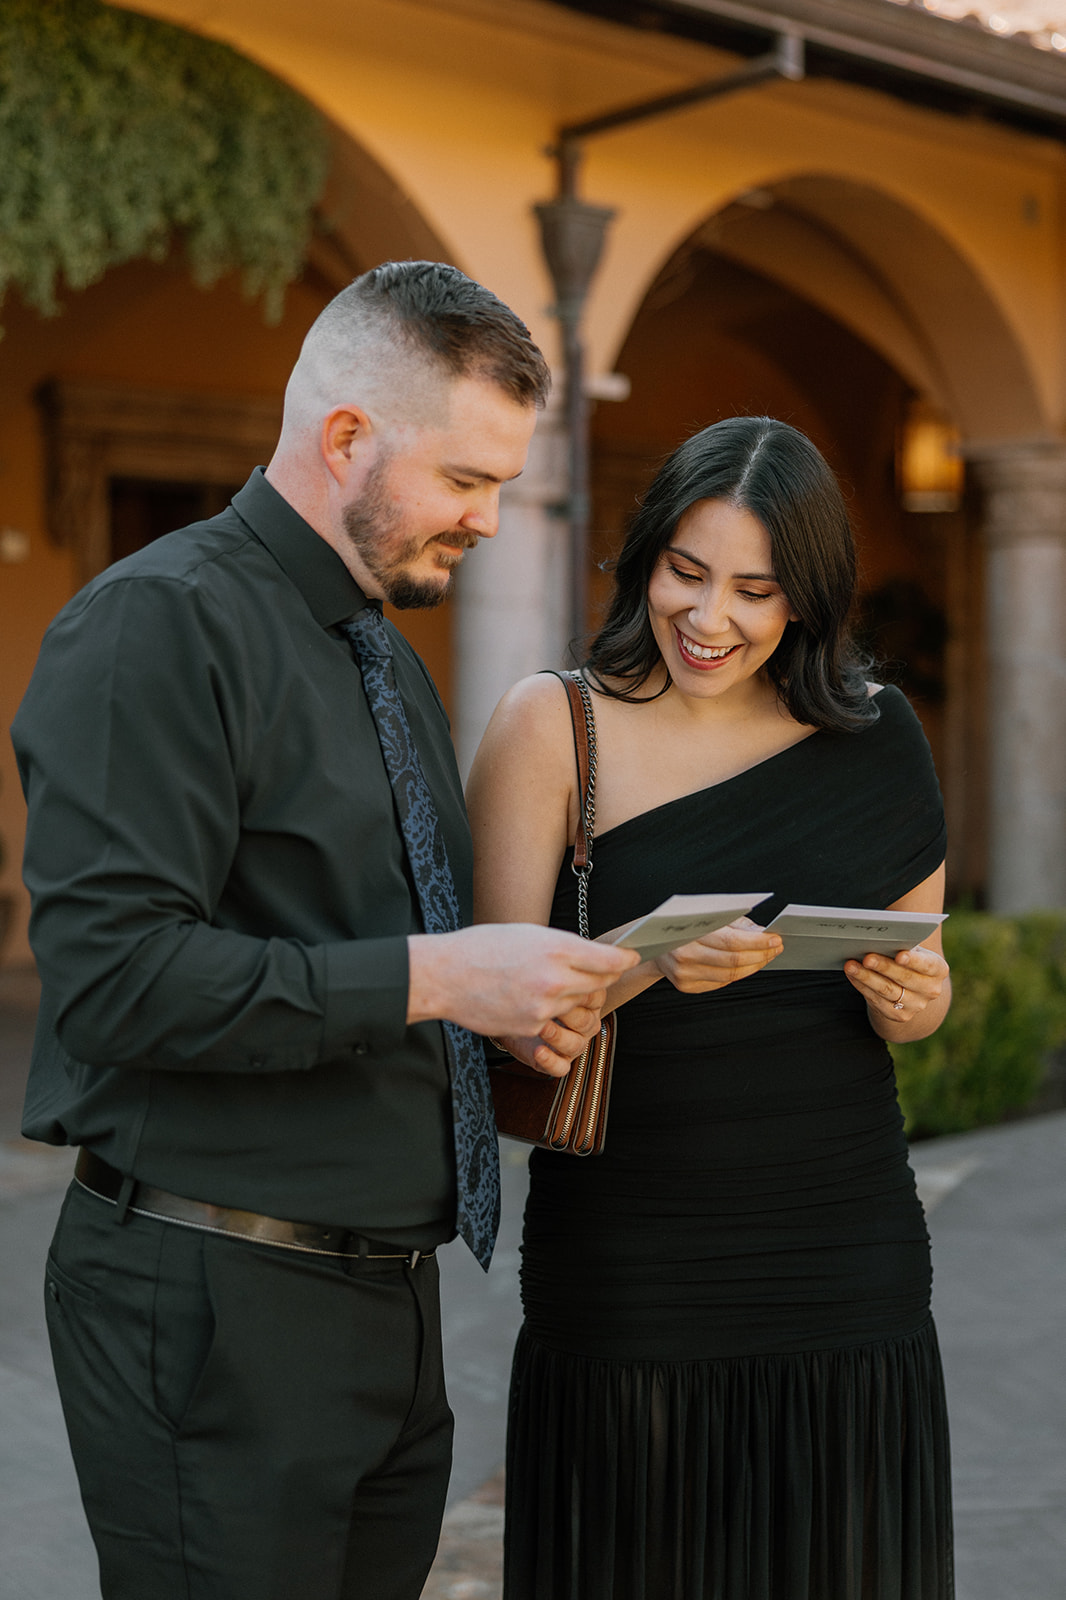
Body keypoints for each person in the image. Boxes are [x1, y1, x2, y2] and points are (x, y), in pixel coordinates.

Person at [11, 261, 638, 1600]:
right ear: (346, 436)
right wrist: (438, 978)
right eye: (465, 480)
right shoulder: (155, 625)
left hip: (384, 1307)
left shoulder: (376, 644)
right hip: (214, 1300)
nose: (485, 520)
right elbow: (116, 983)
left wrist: (534, 985)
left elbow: (383, 938)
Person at [467, 415, 955, 1600]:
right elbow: (482, 1017)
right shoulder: (552, 724)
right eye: (686, 572)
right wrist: (641, 968)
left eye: (755, 588)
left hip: (845, 1245)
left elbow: (917, 996)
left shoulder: (876, 735)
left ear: (807, 600)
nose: (710, 617)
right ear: (644, 559)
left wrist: (914, 1000)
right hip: (634, 1257)